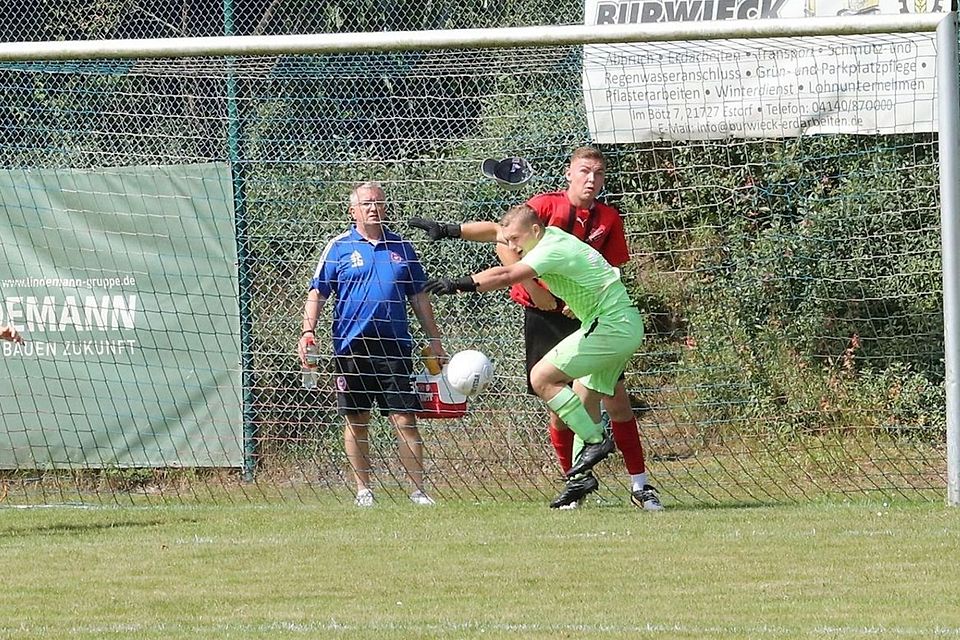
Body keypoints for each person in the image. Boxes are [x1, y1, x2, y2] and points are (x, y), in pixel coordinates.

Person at [411, 146, 662, 511]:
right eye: (583, 171)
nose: (509, 247)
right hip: (602, 320)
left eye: (598, 172)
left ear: (534, 230)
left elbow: (507, 272)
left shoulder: (557, 243)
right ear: (568, 173)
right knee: (577, 401)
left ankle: (607, 454)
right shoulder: (544, 208)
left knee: (543, 379)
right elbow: (501, 233)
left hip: (606, 323)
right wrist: (451, 230)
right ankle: (580, 479)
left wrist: (459, 283)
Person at [298, 181, 447, 508]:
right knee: (356, 419)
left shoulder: (403, 248)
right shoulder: (338, 248)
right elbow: (317, 293)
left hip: (394, 346)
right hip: (352, 349)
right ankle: (363, 490)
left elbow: (419, 297)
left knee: (405, 419)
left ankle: (418, 491)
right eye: (366, 203)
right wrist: (308, 331)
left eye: (379, 202)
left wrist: (434, 339)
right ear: (353, 210)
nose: (373, 208)